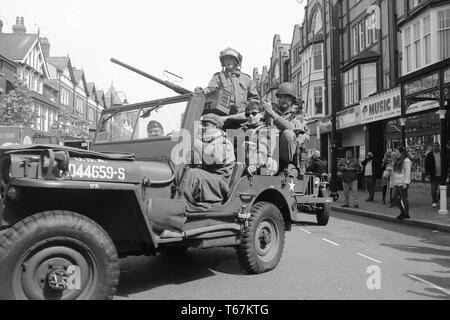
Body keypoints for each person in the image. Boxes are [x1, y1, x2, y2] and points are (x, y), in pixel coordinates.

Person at [180, 114, 235, 212]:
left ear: (217, 127)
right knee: (183, 169)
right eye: (202, 125)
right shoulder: (205, 141)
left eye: (206, 125)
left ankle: (181, 207)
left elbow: (214, 157)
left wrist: (193, 141)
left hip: (219, 185)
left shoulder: (225, 142)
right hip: (207, 181)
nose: (202, 127)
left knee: (193, 173)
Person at [195, 47, 259, 123]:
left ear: (236, 61)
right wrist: (202, 91)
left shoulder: (246, 79)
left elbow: (254, 99)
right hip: (223, 116)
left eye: (231, 59)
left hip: (243, 116)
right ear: (223, 62)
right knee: (208, 120)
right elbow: (211, 89)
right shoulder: (218, 77)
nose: (228, 61)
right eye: (226, 59)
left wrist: (247, 109)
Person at [263, 82, 309, 172]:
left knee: (288, 133)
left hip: (290, 156)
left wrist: (272, 113)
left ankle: (284, 167)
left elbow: (290, 127)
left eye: (286, 97)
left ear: (292, 99)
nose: (282, 100)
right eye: (280, 97)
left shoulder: (300, 114)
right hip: (270, 152)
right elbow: (257, 121)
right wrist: (265, 111)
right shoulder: (273, 108)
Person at [239, 101, 278, 176]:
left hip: (261, 166)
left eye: (254, 113)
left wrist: (255, 164)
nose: (250, 116)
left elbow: (265, 149)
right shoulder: (244, 130)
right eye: (247, 114)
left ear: (261, 114)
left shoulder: (267, 130)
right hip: (245, 165)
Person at [391, 146, 412, 220]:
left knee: (404, 198)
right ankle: (402, 211)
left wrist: (405, 183)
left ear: (401, 153)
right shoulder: (397, 160)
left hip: (403, 182)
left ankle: (406, 213)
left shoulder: (406, 161)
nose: (396, 154)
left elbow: (408, 173)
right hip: (396, 182)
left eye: (397, 152)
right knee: (394, 197)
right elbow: (394, 172)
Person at [425, 142, 442, 208]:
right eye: (434, 146)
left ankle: (439, 197)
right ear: (432, 147)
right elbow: (426, 165)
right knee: (433, 189)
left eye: (436, 146)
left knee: (442, 188)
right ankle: (434, 201)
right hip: (433, 175)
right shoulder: (429, 155)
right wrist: (427, 174)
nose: (435, 147)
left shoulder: (442, 154)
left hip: (441, 175)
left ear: (438, 147)